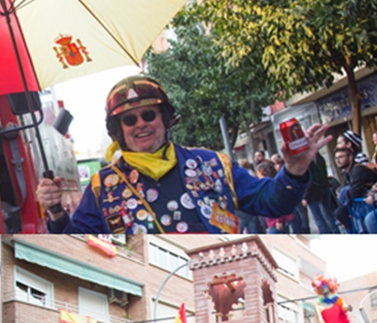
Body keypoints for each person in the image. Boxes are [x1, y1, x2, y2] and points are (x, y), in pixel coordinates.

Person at [37, 75, 327, 234]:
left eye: (149, 114)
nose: (140, 124)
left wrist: (294, 171)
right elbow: (77, 242)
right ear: (118, 130)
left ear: (164, 118)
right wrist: (56, 211)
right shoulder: (103, 187)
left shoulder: (214, 164)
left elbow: (275, 202)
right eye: (129, 120)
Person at [332, 146, 377, 231]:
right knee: (339, 213)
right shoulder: (346, 172)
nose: (338, 160)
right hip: (358, 204)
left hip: (370, 203)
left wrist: (344, 193)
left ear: (350, 157)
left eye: (341, 157)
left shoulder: (358, 169)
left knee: (340, 212)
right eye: (336, 158)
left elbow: (355, 192)